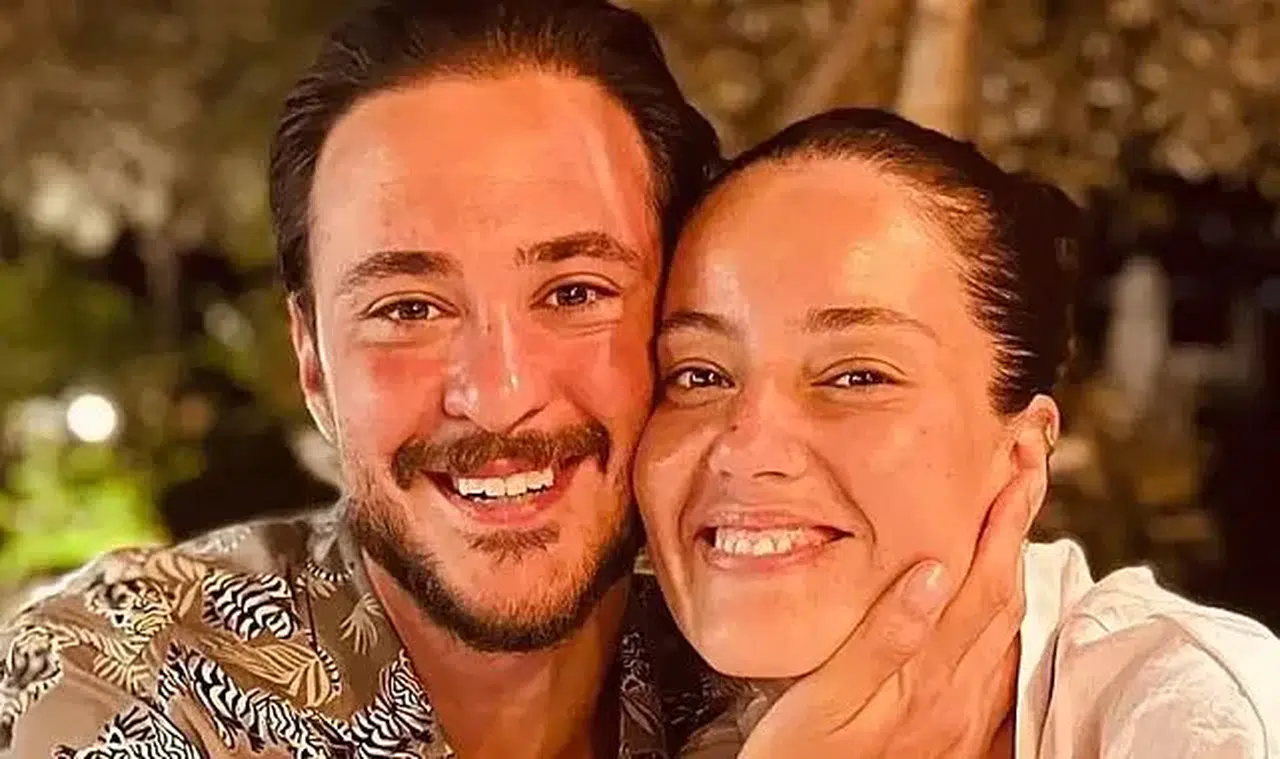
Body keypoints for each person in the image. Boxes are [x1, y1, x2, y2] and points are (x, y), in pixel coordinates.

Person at [0, 0, 731, 755]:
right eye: (409, 308)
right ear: (312, 361)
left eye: (575, 293)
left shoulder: (753, 666)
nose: (500, 396)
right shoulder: (131, 677)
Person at [633, 108, 1280, 758]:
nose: (745, 448)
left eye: (858, 377)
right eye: (699, 375)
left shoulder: (1187, 711)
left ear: (1021, 457)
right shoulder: (630, 701)